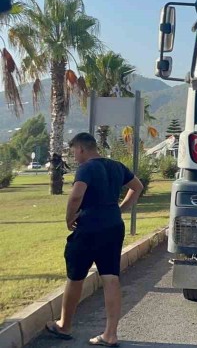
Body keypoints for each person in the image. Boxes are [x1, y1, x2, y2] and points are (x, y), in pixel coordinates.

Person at [45, 132, 144, 347]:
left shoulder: (87, 168)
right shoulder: (117, 166)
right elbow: (137, 187)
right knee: (110, 276)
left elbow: (76, 195)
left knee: (75, 276)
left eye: (73, 151)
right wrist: (120, 209)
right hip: (113, 226)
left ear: (81, 149)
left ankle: (64, 325)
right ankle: (110, 334)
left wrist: (69, 218)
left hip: (89, 228)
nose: (74, 156)